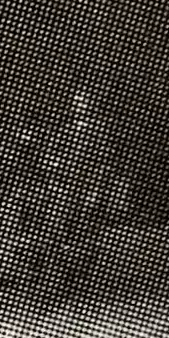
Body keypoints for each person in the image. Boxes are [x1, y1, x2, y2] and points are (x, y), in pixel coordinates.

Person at [35, 86, 112, 296]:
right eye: (76, 102)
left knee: (84, 236)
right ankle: (52, 282)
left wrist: (95, 191)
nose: (80, 106)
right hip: (63, 190)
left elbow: (103, 164)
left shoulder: (99, 132)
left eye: (84, 101)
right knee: (54, 233)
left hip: (86, 189)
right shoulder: (63, 132)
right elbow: (47, 158)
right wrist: (54, 175)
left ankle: (82, 282)